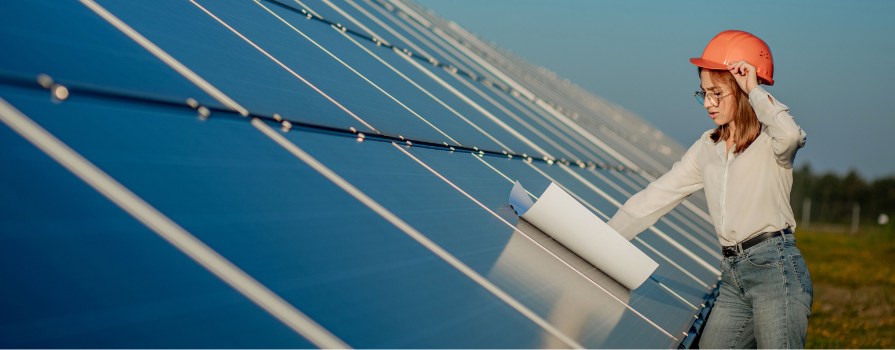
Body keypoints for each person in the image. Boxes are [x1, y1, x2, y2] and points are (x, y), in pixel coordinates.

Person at [606, 30, 813, 348]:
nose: (707, 103)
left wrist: (754, 89)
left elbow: (791, 135)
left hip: (776, 270)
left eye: (717, 93)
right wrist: (605, 239)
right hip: (732, 275)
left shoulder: (771, 143)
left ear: (741, 89)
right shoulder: (707, 146)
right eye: (703, 93)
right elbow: (657, 196)